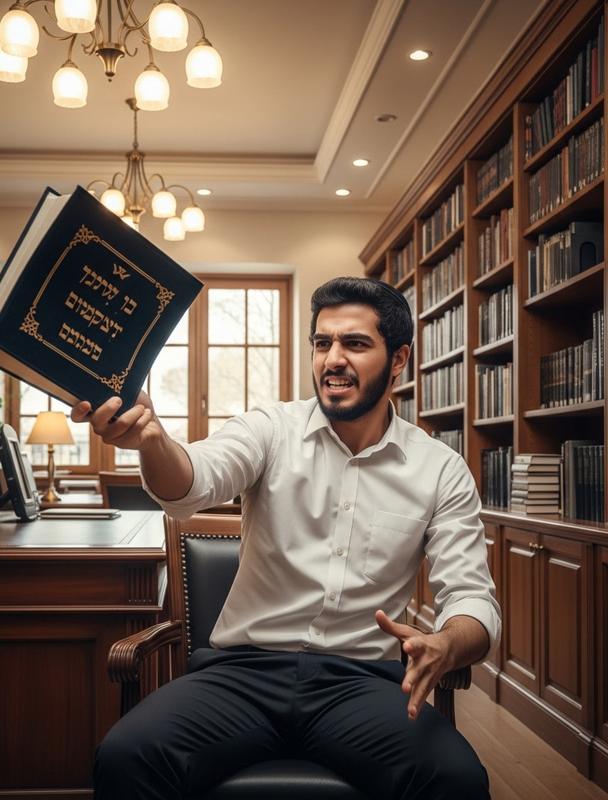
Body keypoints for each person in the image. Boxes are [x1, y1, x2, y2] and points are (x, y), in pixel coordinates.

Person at [72, 276, 501, 800]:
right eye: (323, 344)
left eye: (356, 344)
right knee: (125, 756)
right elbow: (192, 482)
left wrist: (446, 642)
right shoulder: (269, 429)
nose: (333, 359)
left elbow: (472, 598)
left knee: (456, 779)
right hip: (241, 676)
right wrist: (153, 440)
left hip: (362, 683)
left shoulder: (441, 470)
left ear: (399, 359)